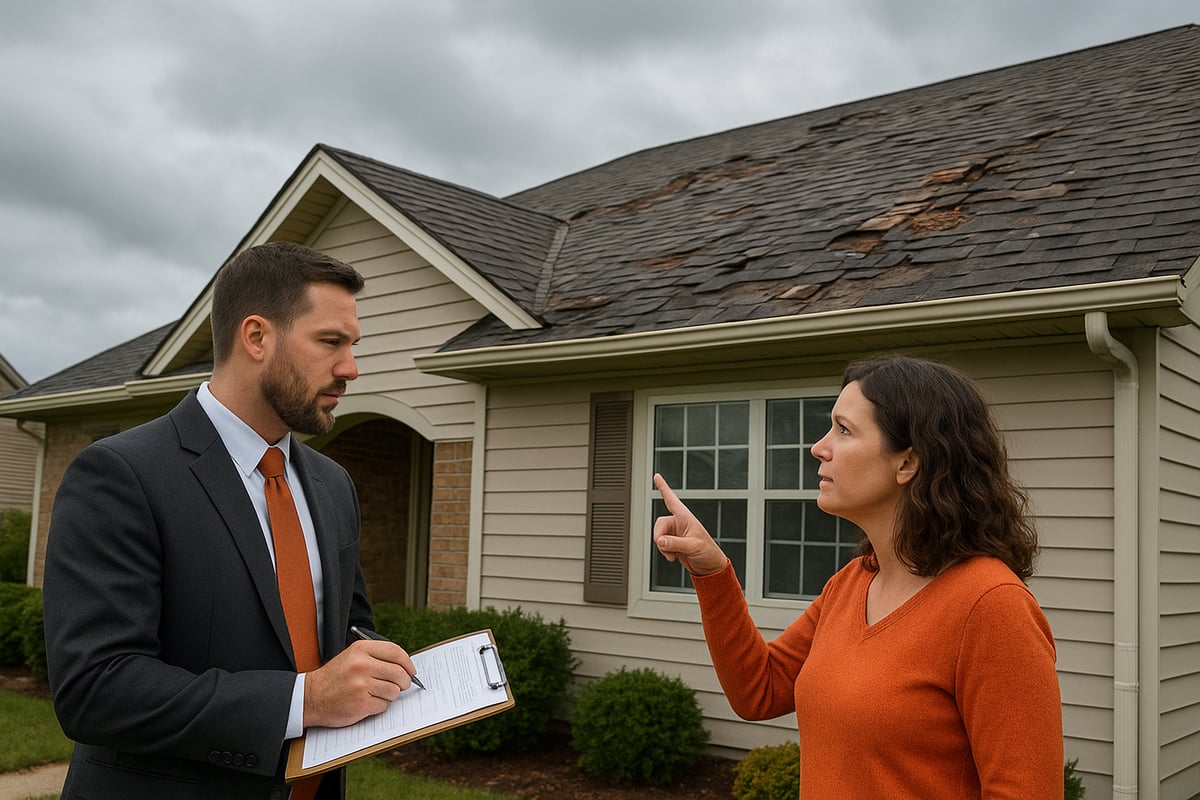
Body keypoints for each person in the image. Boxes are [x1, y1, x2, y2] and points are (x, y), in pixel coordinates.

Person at [43, 241, 418, 800]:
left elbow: (345, 631)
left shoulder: (333, 485)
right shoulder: (122, 474)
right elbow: (97, 688)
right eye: (330, 342)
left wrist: (385, 673)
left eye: (353, 345)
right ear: (257, 337)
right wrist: (307, 701)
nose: (350, 369)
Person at [653, 354, 1064, 799]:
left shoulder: (990, 605)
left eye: (843, 430)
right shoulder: (852, 583)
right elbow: (760, 689)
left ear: (907, 463)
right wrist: (712, 573)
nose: (819, 447)